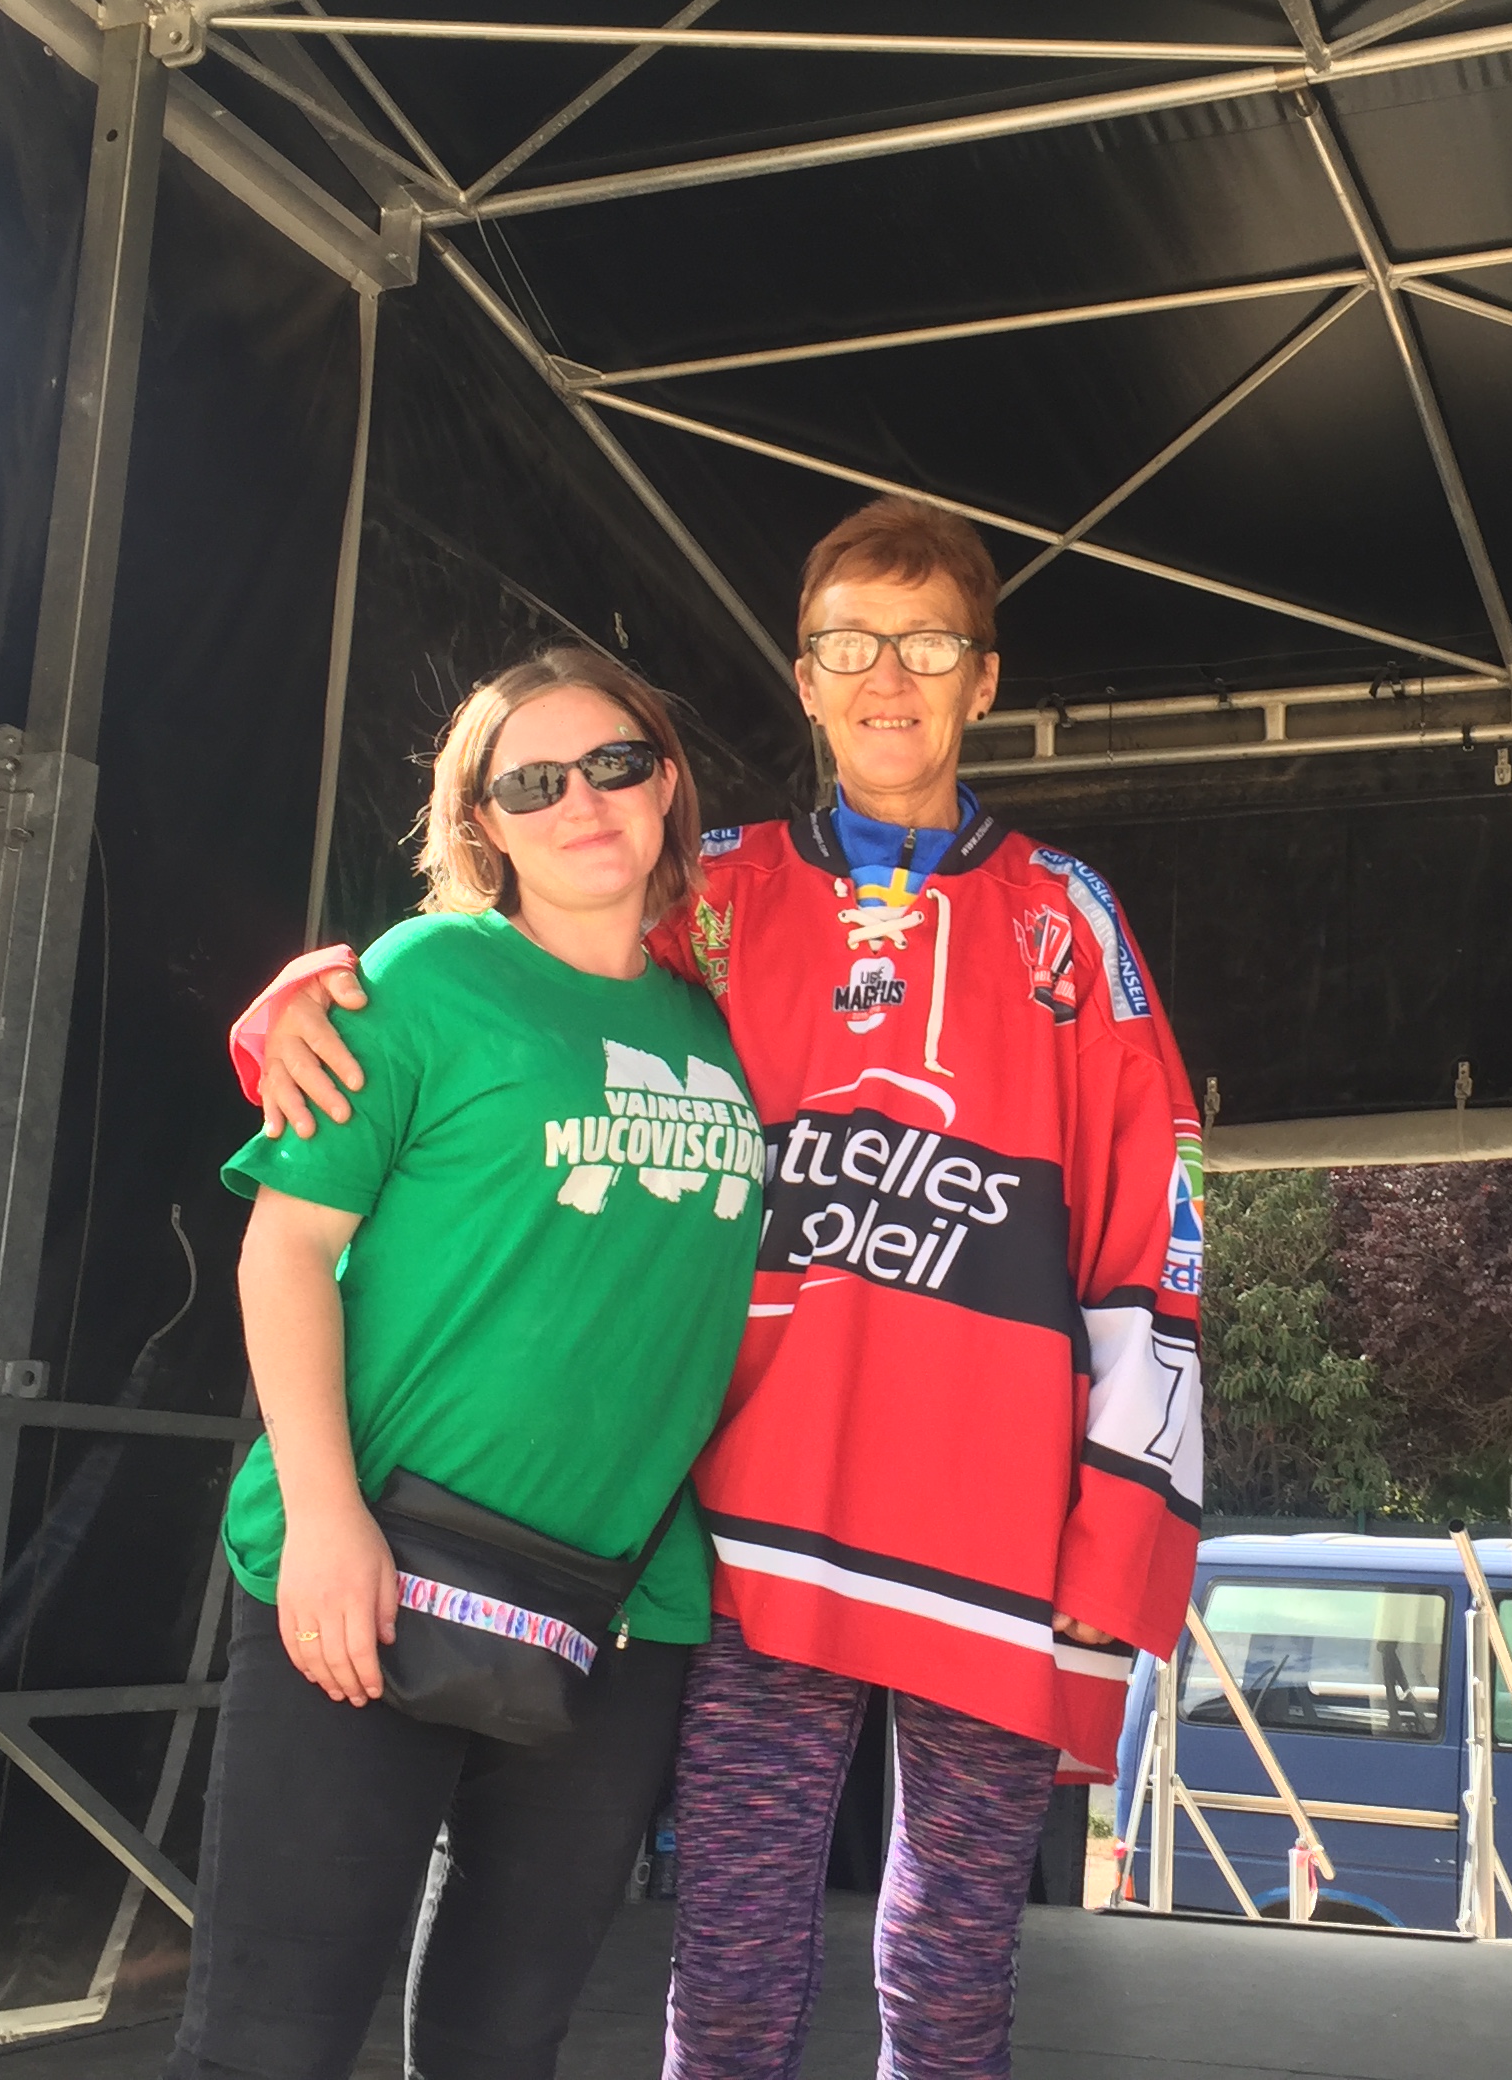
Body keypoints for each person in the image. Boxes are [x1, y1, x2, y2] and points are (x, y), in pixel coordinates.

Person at [237, 499, 1206, 2079]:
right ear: (802, 681)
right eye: (849, 645)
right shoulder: (718, 897)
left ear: (984, 678)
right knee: (736, 1953)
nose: (888, 677)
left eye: (929, 645)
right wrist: (303, 997)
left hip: (998, 1524)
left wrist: (1120, 1525)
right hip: (760, 1523)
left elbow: (1151, 1223)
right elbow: (532, 973)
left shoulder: (1070, 921)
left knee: (951, 1969)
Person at [168, 645, 761, 2080]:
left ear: (667, 782)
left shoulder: (733, 1020)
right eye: (533, 782)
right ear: (481, 822)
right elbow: (284, 1252)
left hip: (618, 1607)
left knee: (505, 2046)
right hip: (372, 1569)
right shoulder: (423, 978)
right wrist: (325, 1520)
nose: (582, 802)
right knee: (267, 2049)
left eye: (614, 764)